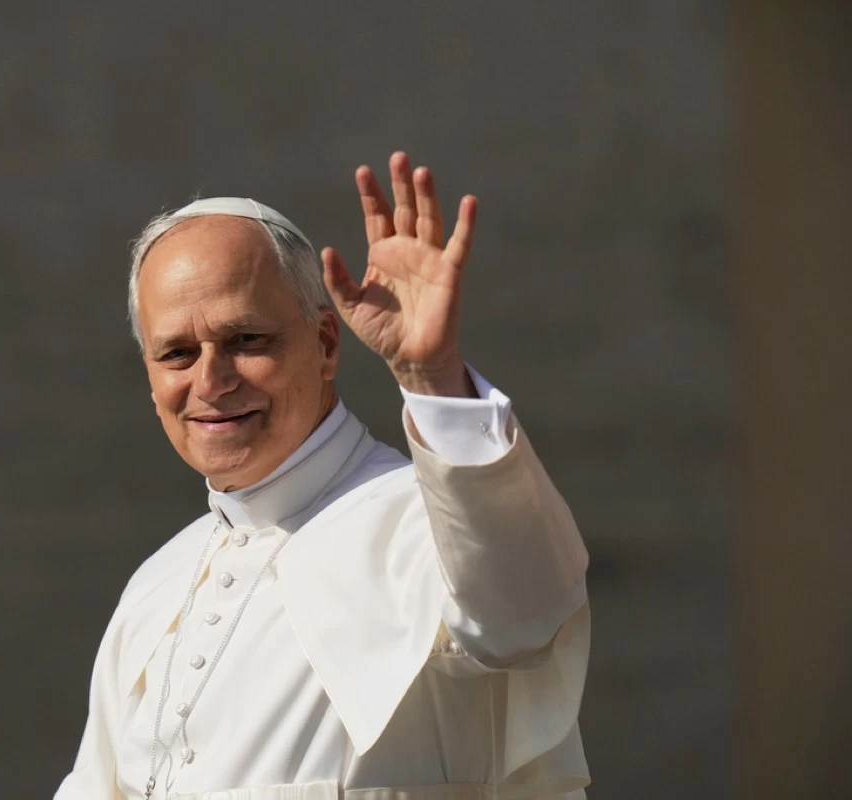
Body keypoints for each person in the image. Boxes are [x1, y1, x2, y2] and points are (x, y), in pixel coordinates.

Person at [55, 152, 591, 799]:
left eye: (246, 340)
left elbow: (523, 615)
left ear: (327, 345)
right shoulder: (153, 590)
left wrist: (433, 381)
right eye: (176, 353)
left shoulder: (425, 521)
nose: (210, 380)